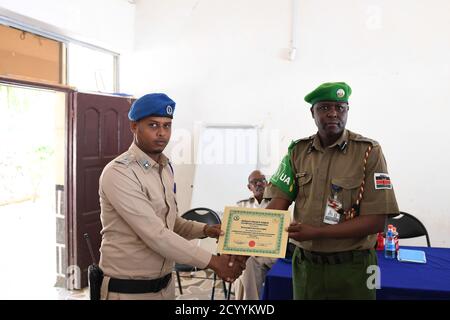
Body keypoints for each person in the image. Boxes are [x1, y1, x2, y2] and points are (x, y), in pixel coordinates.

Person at [98, 93, 245, 300]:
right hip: (128, 291)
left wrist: (206, 230)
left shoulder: (165, 168)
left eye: (167, 126)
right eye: (153, 125)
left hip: (165, 288)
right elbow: (155, 233)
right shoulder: (119, 173)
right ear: (134, 127)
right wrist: (215, 262)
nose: (161, 133)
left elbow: (170, 222)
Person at [265, 82, 399, 300]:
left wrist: (317, 233)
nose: (333, 114)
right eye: (324, 108)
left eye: (340, 108)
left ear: (347, 111)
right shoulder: (297, 152)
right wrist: (239, 241)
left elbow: (376, 221)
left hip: (355, 268)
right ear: (313, 112)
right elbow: (276, 206)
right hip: (306, 267)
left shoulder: (368, 152)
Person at [233, 170, 277, 300]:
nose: (258, 184)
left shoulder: (277, 204)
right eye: (254, 182)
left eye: (262, 180)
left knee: (245, 264)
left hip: (269, 254)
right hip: (247, 252)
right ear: (249, 187)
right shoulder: (241, 205)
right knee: (247, 261)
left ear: (267, 183)